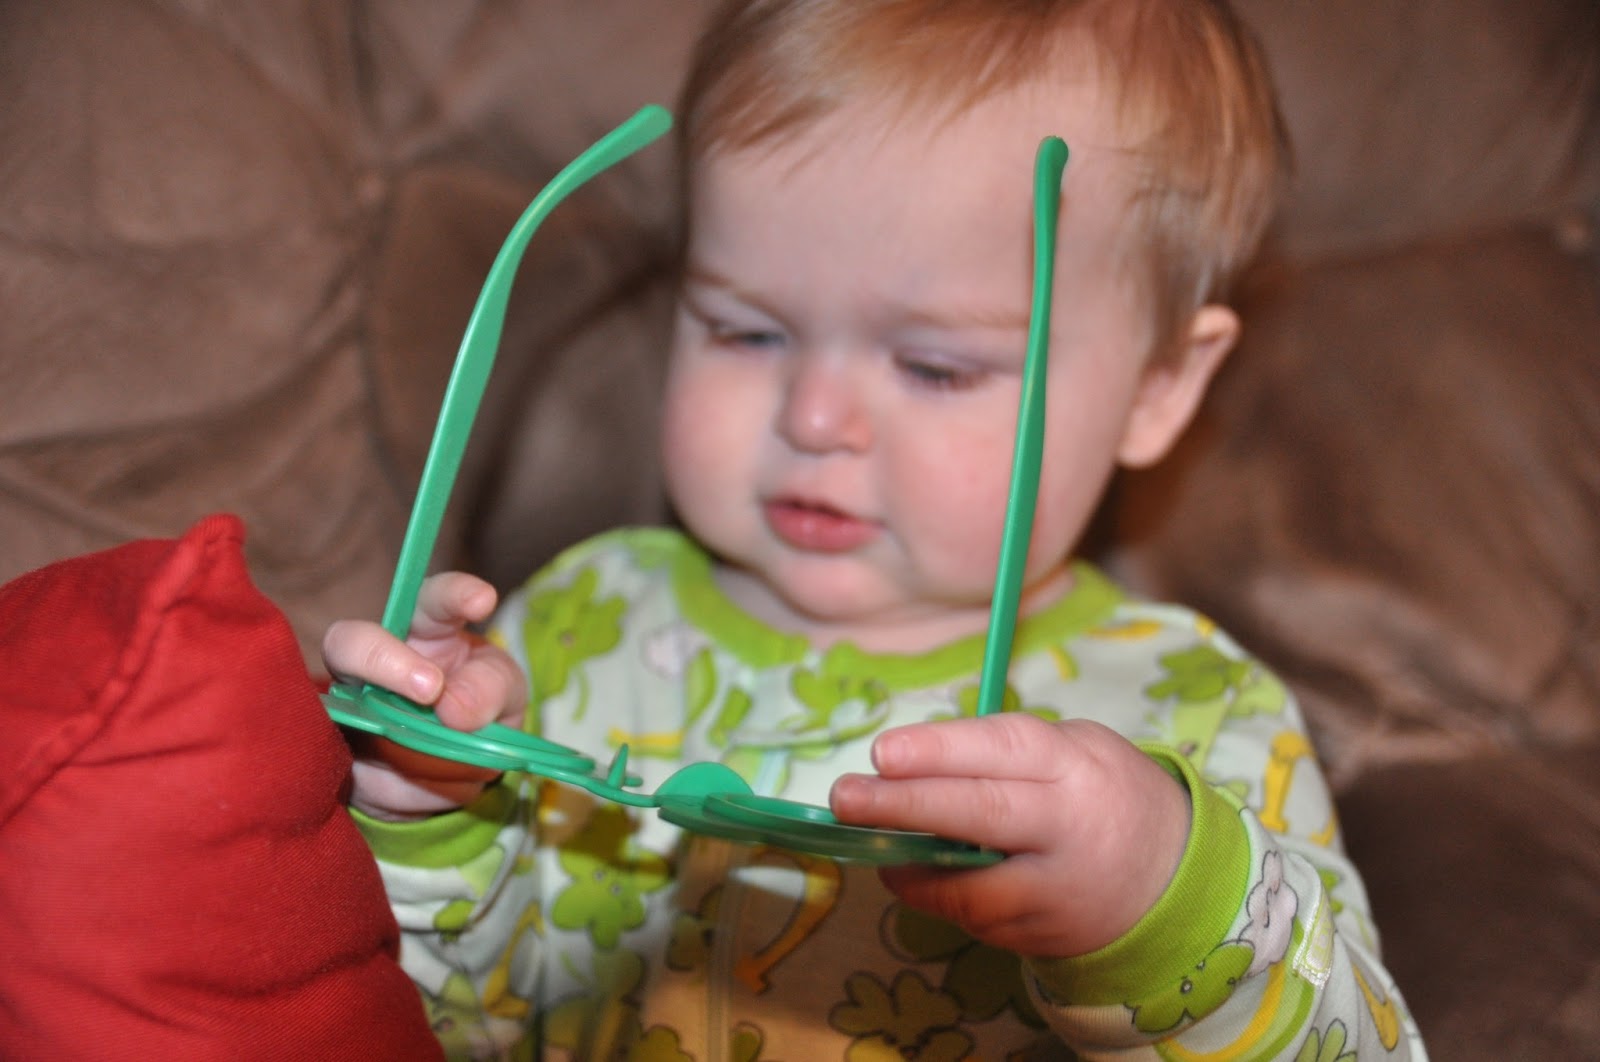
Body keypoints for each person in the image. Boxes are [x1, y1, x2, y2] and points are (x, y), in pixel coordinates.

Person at [325, 0, 1428, 1057]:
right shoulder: (575, 626)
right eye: (746, 331)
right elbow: (447, 1026)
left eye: (935, 367)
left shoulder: (1198, 713)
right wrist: (427, 812)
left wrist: (1166, 909)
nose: (814, 420)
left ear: (1158, 387)